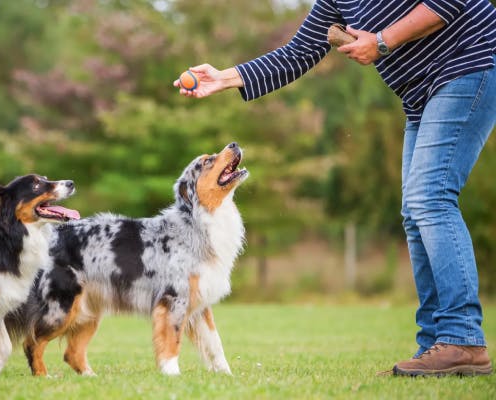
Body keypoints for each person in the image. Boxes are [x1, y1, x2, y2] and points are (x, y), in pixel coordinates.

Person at [174, 0, 496, 377]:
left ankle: (463, 339)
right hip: (422, 94)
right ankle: (436, 344)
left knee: (430, 198)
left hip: (470, 64)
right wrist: (224, 78)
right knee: (415, 212)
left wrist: (383, 41)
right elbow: (298, 53)